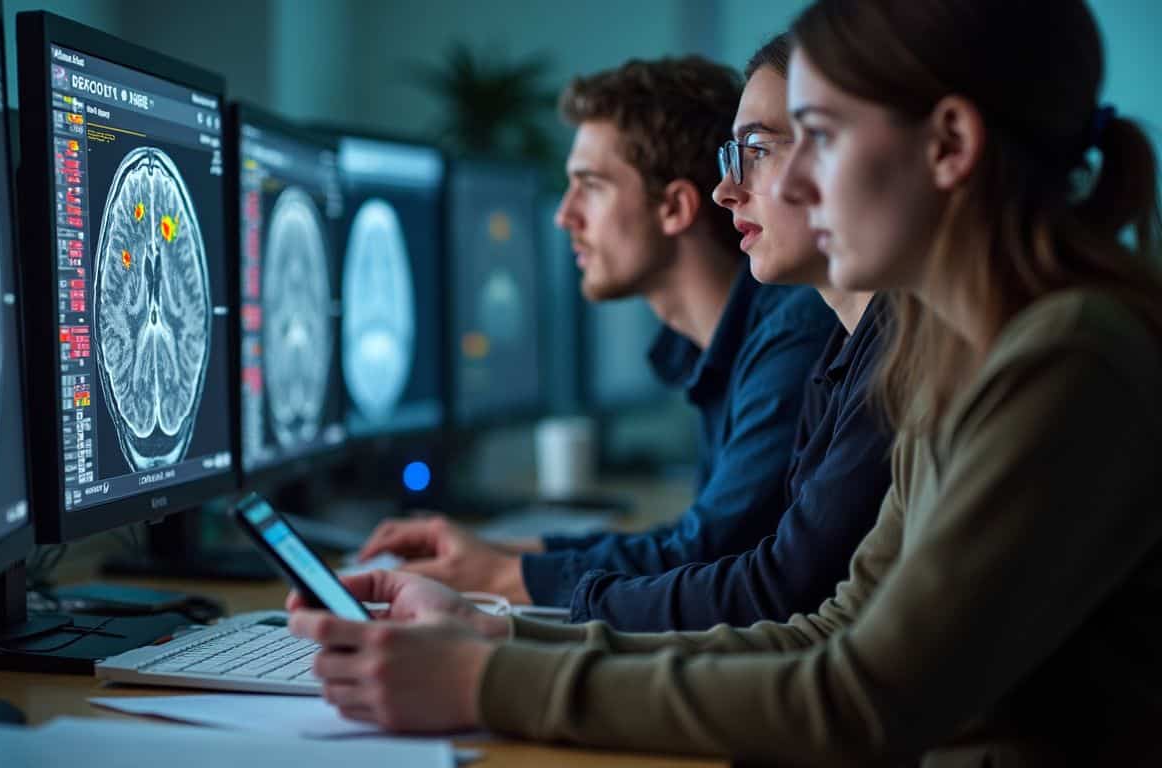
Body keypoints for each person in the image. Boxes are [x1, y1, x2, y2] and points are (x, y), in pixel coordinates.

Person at [290, 1, 1162, 763]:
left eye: (818, 137)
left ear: (951, 144)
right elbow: (833, 632)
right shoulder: (946, 354)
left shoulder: (1069, 360)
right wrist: (499, 637)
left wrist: (488, 682)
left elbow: (862, 701)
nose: (792, 184)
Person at [358, 57, 836, 607]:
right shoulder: (732, 341)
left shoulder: (795, 332)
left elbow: (708, 550)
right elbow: (693, 538)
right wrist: (508, 553)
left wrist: (496, 578)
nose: (564, 215)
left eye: (590, 186)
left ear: (676, 207)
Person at [570, 33, 892, 632]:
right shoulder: (838, 353)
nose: (727, 190)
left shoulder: (833, 342)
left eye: (759, 149)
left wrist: (530, 611)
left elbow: (773, 584)